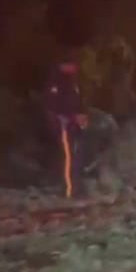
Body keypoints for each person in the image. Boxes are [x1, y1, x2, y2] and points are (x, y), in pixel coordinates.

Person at [42, 58, 89, 199]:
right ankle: (69, 190)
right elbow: (52, 104)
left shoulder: (73, 83)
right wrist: (67, 116)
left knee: (76, 156)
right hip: (63, 124)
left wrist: (82, 115)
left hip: (74, 124)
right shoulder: (56, 82)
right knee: (67, 157)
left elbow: (79, 101)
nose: (74, 68)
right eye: (70, 65)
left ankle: (76, 186)